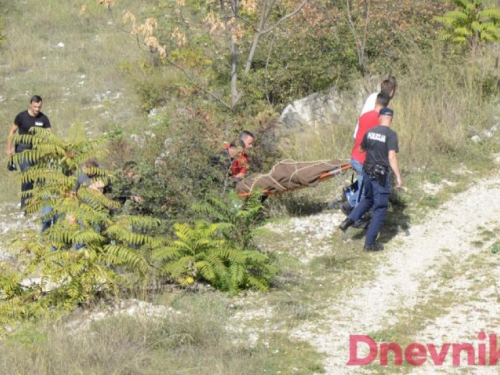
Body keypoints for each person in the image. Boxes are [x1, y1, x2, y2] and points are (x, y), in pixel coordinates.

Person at [339, 107, 403, 252]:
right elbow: (391, 156)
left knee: (367, 199)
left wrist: (373, 148)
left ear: (379, 118)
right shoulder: (391, 135)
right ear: (391, 119)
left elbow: (361, 149)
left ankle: (347, 221)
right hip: (380, 176)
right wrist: (398, 176)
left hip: (367, 172)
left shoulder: (370, 132)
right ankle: (369, 244)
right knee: (380, 208)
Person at [5, 95, 51, 211]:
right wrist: (9, 148)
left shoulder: (43, 119)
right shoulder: (21, 117)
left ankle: (39, 204)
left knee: (40, 178)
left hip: (37, 151)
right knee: (27, 176)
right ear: (30, 104)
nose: (37, 109)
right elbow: (12, 131)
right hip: (23, 149)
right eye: (35, 107)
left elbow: (50, 135)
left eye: (39, 107)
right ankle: (25, 207)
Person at [349, 93, 390, 210]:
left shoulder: (364, 116)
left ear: (376, 102)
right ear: (386, 106)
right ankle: (357, 218)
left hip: (355, 155)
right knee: (365, 191)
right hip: (364, 159)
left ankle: (350, 204)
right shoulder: (380, 120)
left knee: (366, 187)